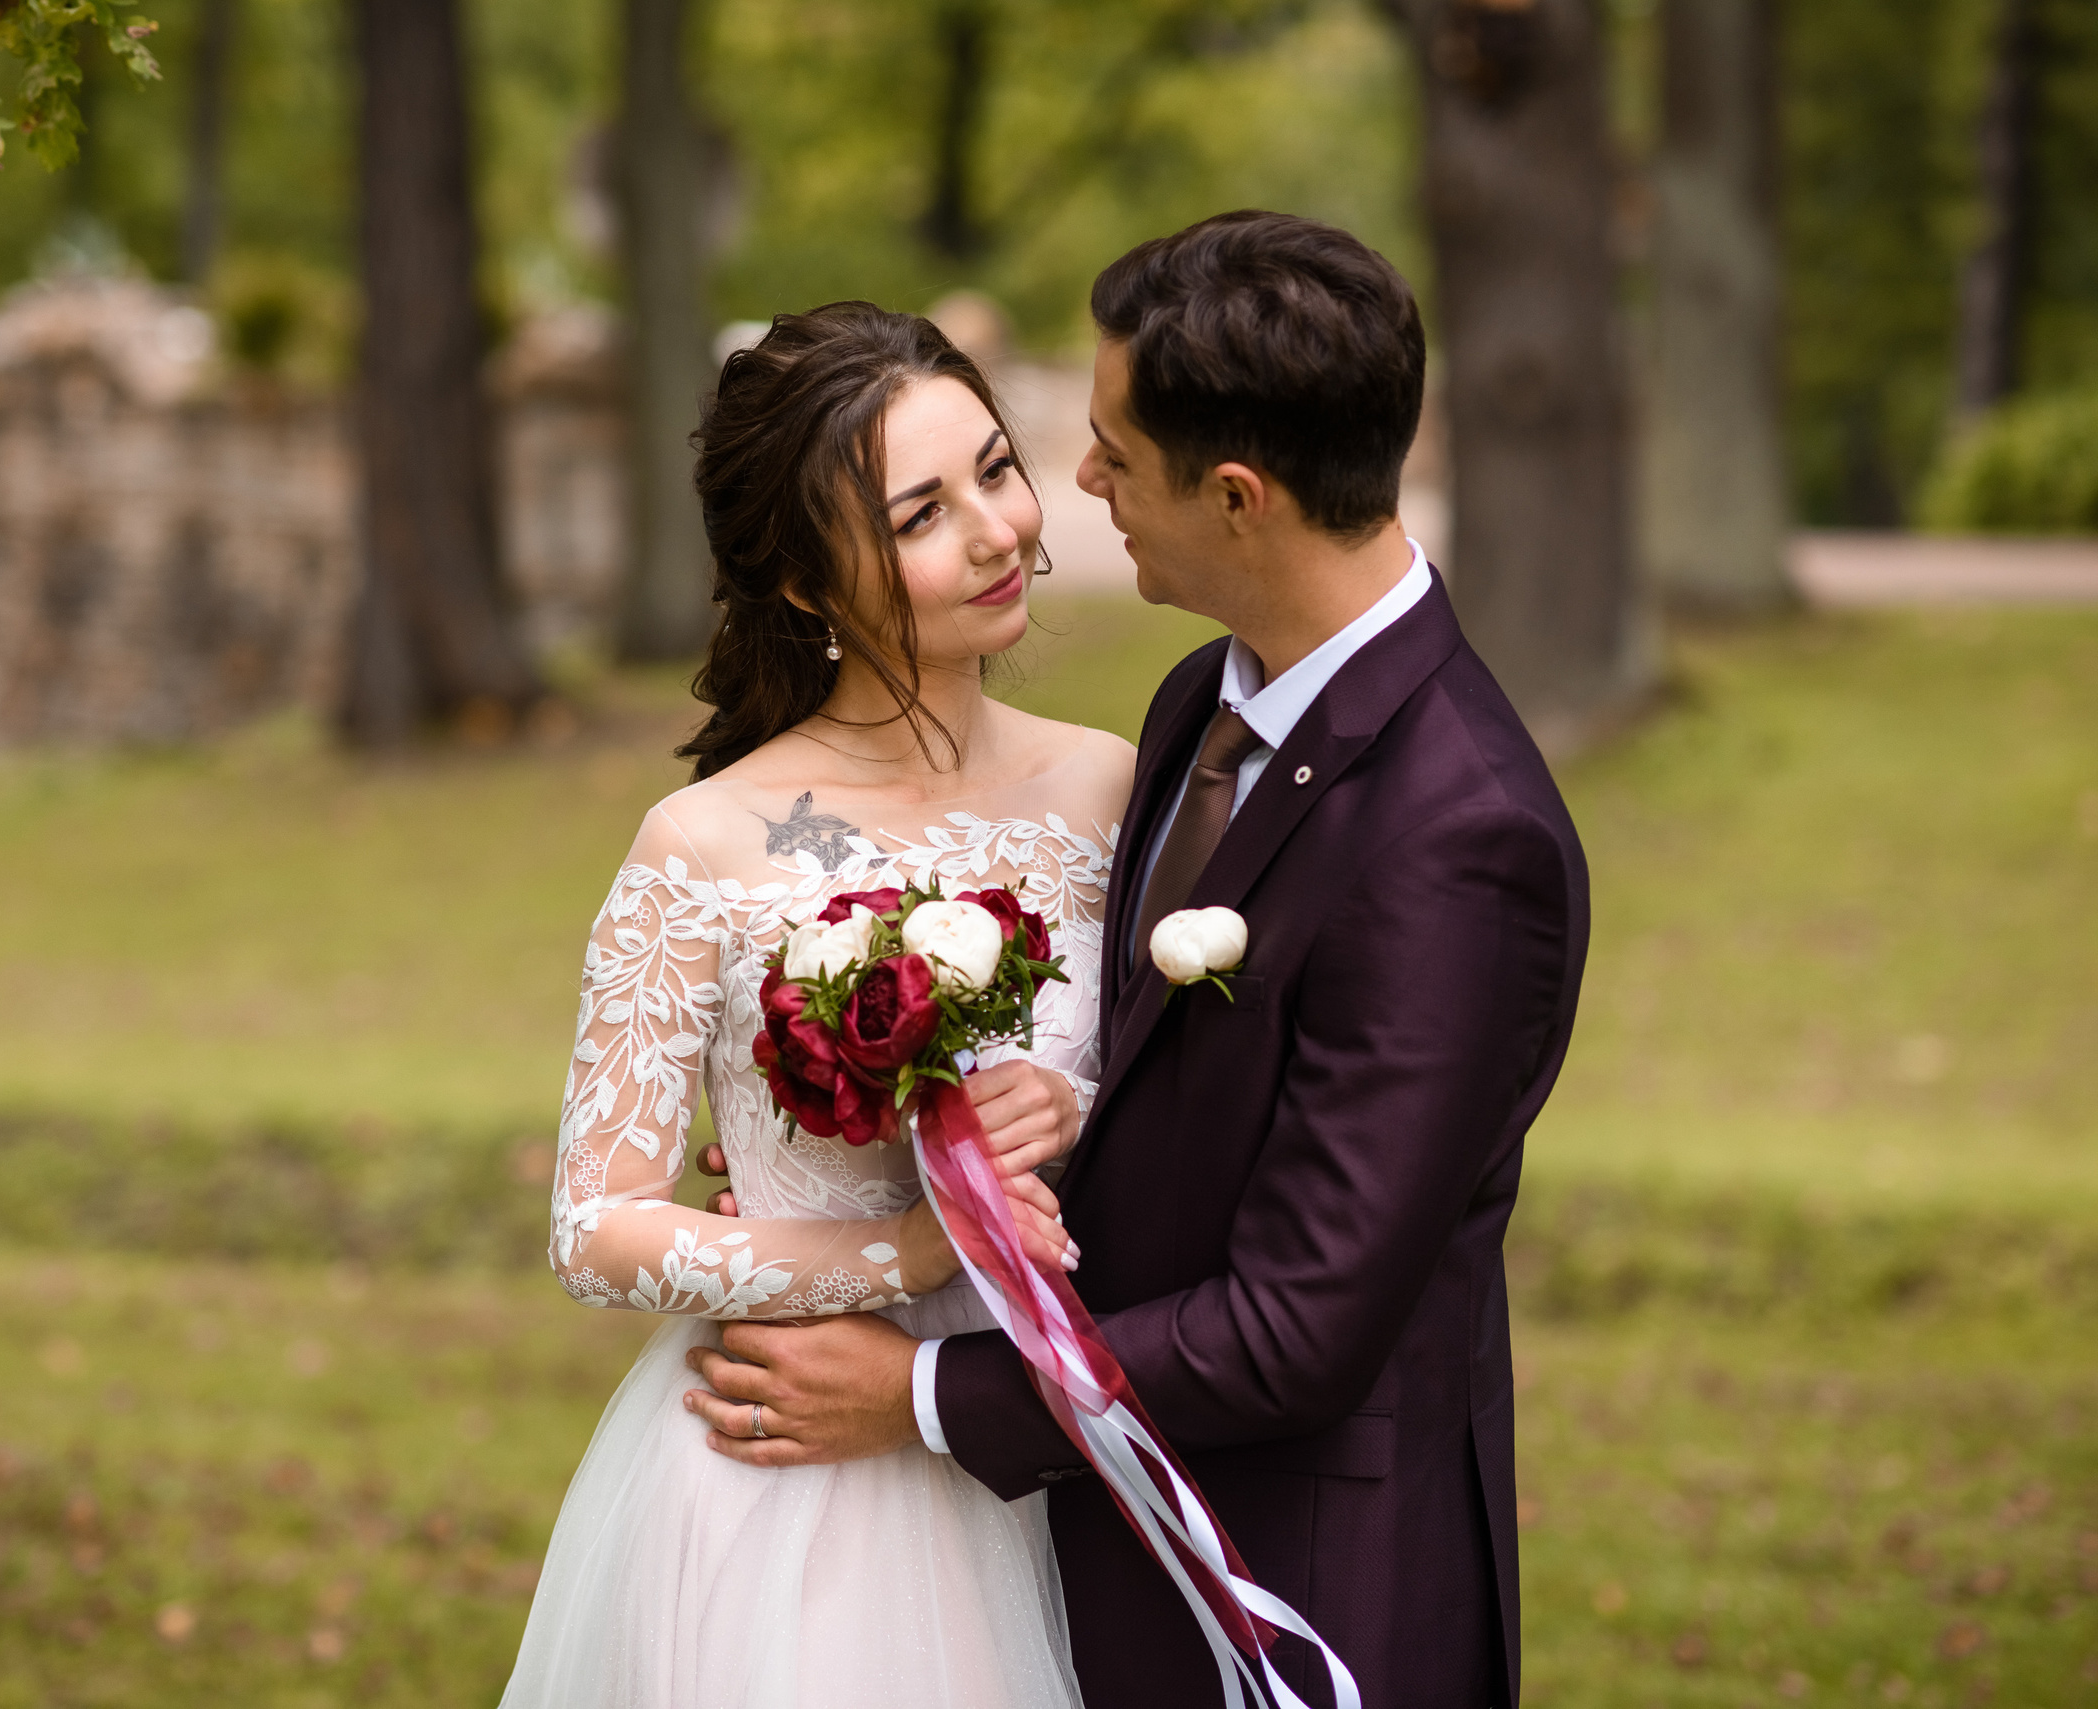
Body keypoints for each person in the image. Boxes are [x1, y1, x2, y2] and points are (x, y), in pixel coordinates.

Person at [682, 211, 1591, 1709]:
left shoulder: (1461, 839)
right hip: (1084, 1547)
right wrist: (875, 1149)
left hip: (1302, 1587)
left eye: (1111, 448)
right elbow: (1153, 1093)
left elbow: (1299, 1326)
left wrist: (912, 1391)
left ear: (1238, 496)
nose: (1077, 484)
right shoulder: (1199, 706)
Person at [499, 301, 1134, 1709]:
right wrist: (898, 1255)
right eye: (920, 512)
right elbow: (596, 1228)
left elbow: (1180, 1090)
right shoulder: (705, 844)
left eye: (993, 469)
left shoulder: (1113, 786)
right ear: (800, 581)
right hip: (805, 1492)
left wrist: (1071, 1102)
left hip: (1068, 1458)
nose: (993, 530)